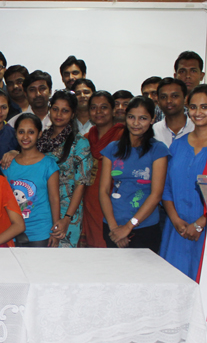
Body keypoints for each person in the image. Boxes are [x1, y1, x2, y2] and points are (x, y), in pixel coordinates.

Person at [161, 84, 207, 281]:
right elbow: (166, 187)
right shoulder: (177, 145)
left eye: (205, 107)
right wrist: (175, 220)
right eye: (193, 107)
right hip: (177, 229)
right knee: (174, 284)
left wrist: (201, 223)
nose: (198, 112)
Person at [99, 96, 169, 253]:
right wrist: (114, 228)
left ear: (152, 119)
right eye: (131, 117)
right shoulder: (112, 148)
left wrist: (128, 227)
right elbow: (103, 191)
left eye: (143, 118)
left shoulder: (158, 150)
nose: (136, 123)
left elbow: (156, 195)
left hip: (144, 227)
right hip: (112, 226)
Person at [38, 89, 92, 248]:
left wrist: (67, 218)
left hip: (67, 212)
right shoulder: (40, 139)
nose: (59, 114)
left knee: (62, 259)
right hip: (40, 208)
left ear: (73, 114)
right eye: (55, 109)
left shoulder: (80, 143)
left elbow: (81, 184)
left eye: (65, 111)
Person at [3, 114, 61, 247]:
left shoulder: (48, 164)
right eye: (21, 132)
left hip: (40, 231)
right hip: (12, 231)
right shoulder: (8, 165)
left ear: (39, 134)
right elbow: (4, 199)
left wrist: (55, 230)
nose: (25, 137)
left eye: (31, 132)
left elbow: (54, 199)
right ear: (15, 134)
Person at [83, 91, 124, 248]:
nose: (98, 112)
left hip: (115, 202)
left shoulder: (124, 138)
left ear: (113, 110)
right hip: (90, 203)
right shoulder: (86, 139)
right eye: (93, 107)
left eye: (104, 107)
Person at [153, 77, 193, 148]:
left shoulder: (195, 128)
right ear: (158, 101)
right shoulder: (153, 131)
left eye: (174, 96)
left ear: (185, 98)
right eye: (163, 97)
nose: (169, 101)